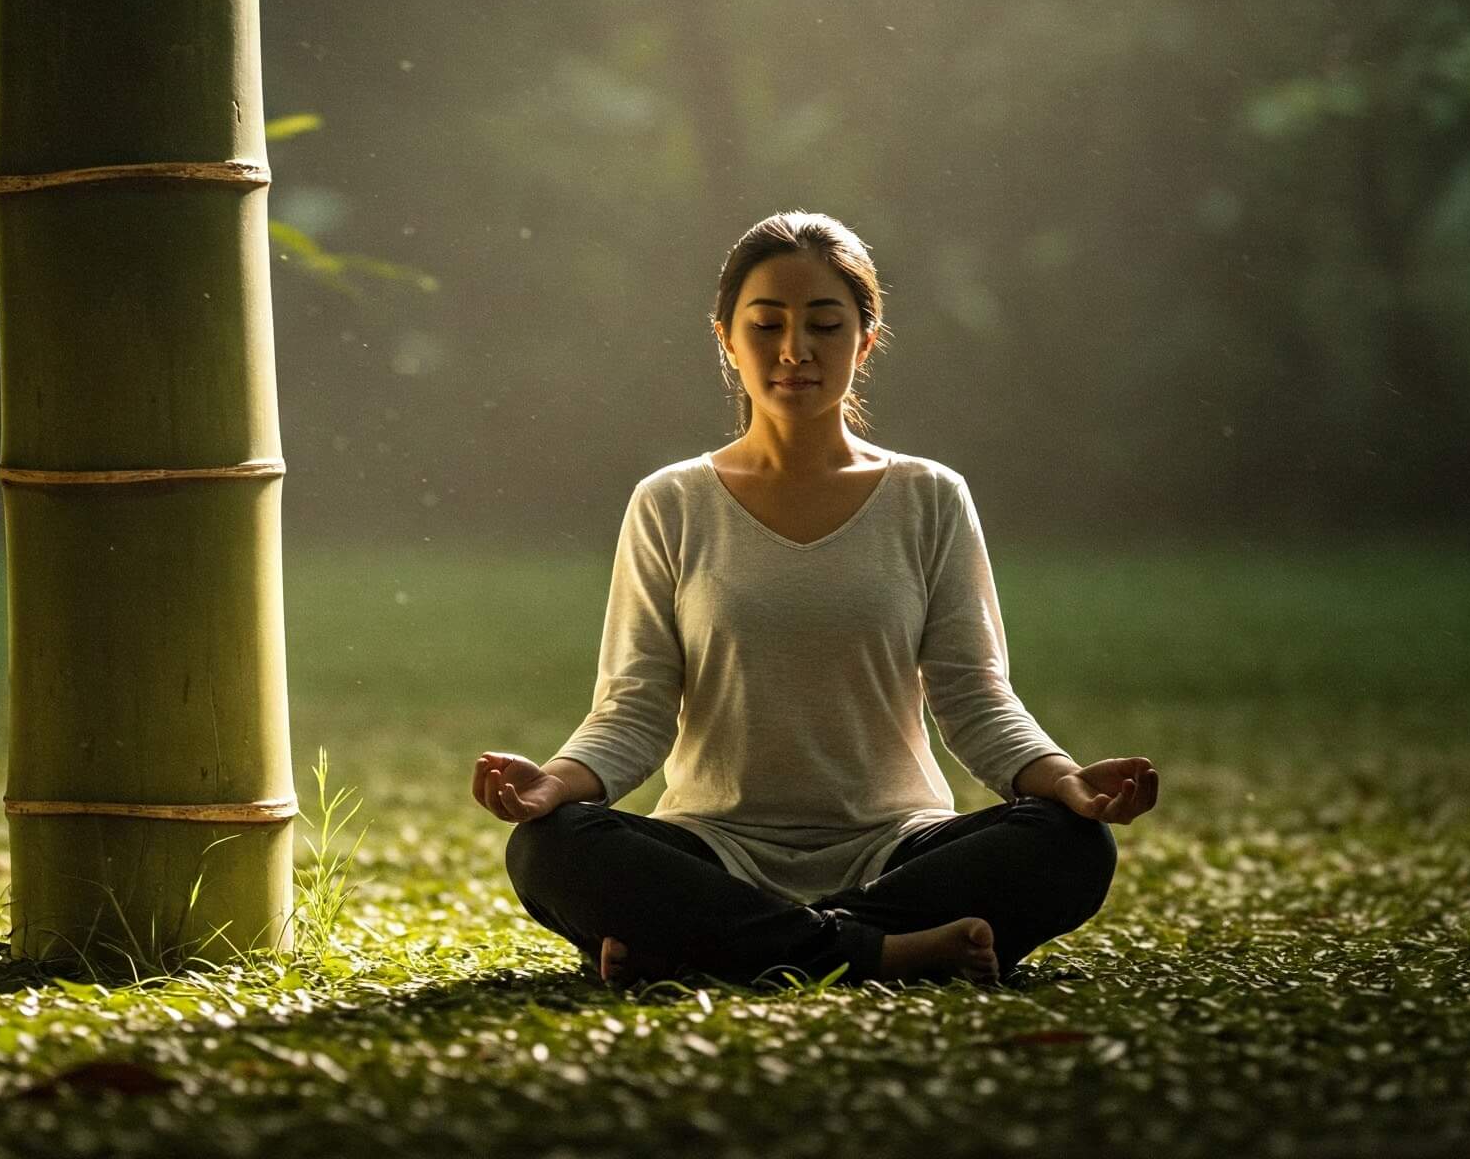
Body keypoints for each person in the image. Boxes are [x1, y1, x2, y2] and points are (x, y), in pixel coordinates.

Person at [472, 210, 1159, 989]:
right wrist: (551, 784)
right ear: (726, 339)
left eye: (825, 325)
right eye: (766, 325)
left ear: (865, 341)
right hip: (713, 850)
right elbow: (635, 705)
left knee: (1070, 845)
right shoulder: (671, 502)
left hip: (896, 849)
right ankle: (879, 952)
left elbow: (973, 695)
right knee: (548, 847)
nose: (795, 351)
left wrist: (1065, 779)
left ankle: (719, 947)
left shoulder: (929, 497)